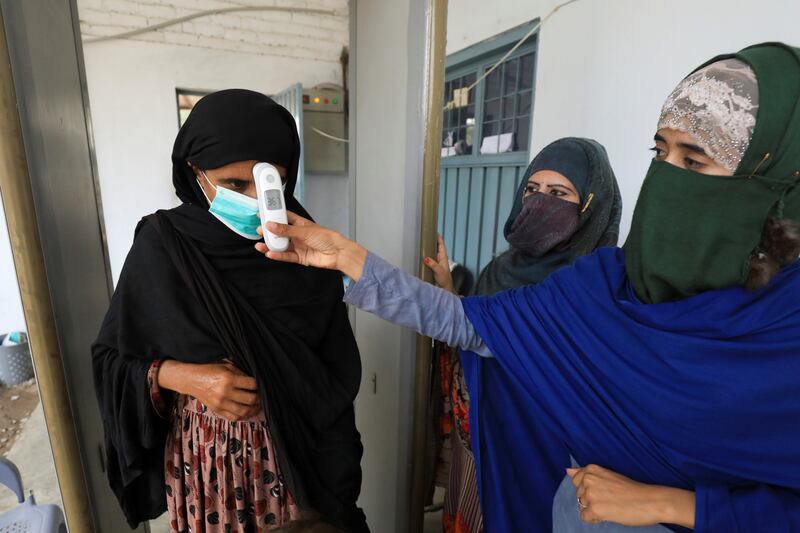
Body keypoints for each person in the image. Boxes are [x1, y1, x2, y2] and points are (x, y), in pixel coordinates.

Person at [256, 43, 800, 532]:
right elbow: (472, 324)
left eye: (694, 160)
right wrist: (348, 258)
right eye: (660, 152)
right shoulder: (602, 285)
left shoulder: (786, 332)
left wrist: (671, 505)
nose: (667, 176)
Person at [92, 89, 367, 533]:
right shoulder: (164, 245)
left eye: (268, 183)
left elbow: (331, 374)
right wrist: (186, 377)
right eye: (235, 184)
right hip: (208, 468)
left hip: (298, 464)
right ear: (194, 172)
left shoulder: (307, 248)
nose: (255, 200)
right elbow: (111, 359)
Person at [423, 137, 622, 533]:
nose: (539, 201)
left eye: (559, 193)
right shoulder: (501, 268)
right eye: (532, 189)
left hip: (542, 450)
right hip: (480, 438)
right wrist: (449, 294)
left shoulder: (599, 287)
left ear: (590, 207)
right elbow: (476, 337)